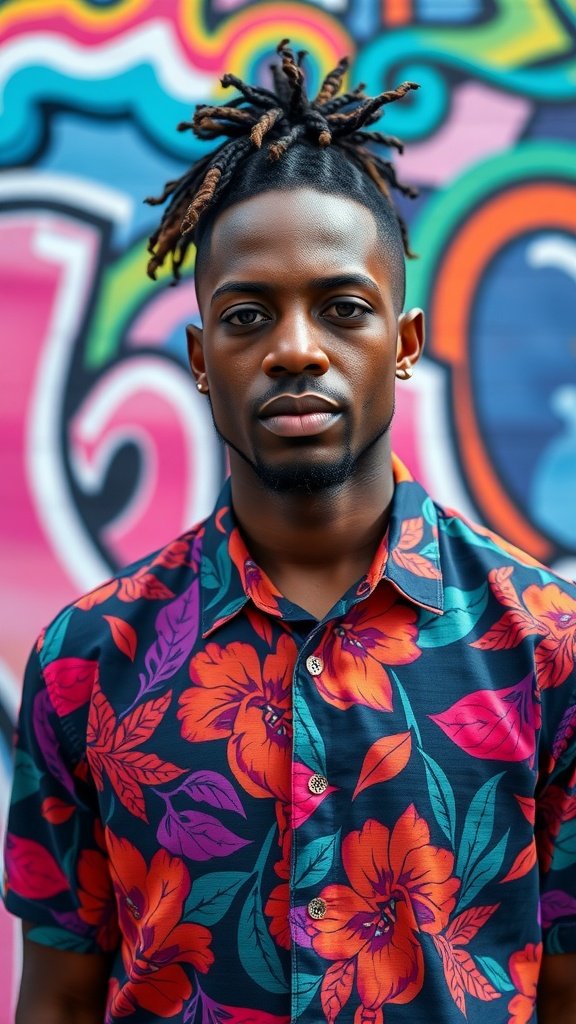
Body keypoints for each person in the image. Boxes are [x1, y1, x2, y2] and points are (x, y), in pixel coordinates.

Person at [3, 40, 576, 1024]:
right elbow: (57, 995)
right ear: (198, 355)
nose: (296, 348)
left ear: (402, 345)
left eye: (343, 308)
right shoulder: (85, 662)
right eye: (248, 315)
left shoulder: (545, 647)